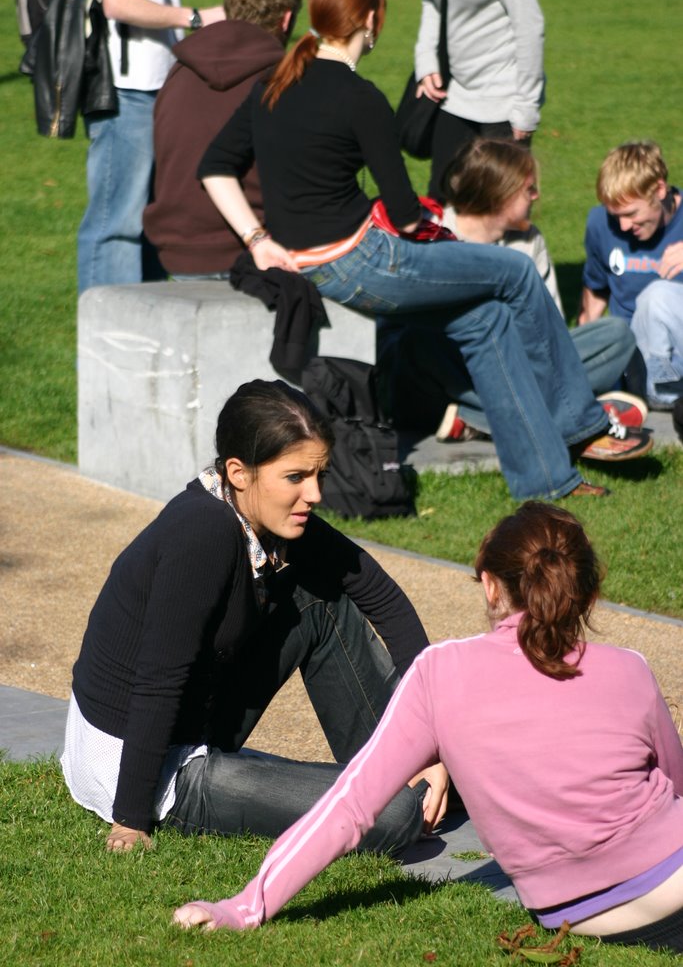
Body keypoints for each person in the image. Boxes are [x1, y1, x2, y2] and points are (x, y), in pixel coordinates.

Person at [196, 0, 648, 503]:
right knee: (518, 271)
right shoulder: (361, 98)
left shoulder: (273, 83)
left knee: (485, 319)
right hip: (365, 262)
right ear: (370, 20)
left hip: (318, 261)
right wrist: (433, 231)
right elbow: (407, 215)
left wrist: (257, 239)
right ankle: (584, 425)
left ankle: (548, 482)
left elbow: (214, 166)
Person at [174, 502, 683, 955]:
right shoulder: (630, 668)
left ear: (489, 583)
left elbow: (349, 805)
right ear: (589, 594)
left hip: (586, 909)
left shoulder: (440, 672)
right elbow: (674, 781)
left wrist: (245, 906)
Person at [61, 380, 447, 854]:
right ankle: (391, 782)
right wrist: (132, 820)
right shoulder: (204, 534)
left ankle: (403, 760)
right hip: (151, 763)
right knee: (397, 813)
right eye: (296, 477)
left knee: (322, 601)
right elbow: (160, 677)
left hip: (195, 719)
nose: (315, 494)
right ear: (239, 473)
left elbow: (382, 597)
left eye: (319, 475)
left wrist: (428, 740)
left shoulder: (261, 513)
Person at [377, 137, 647, 446]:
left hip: (511, 366)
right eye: (528, 189)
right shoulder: (431, 233)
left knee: (616, 335)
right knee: (418, 343)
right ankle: (568, 417)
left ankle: (478, 419)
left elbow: (552, 336)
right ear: (500, 196)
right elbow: (398, 332)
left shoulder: (529, 241)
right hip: (437, 374)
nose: (537, 195)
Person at [76, 0, 225, 293]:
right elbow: (118, 1)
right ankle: (109, 343)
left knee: (153, 222)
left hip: (156, 83)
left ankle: (145, 335)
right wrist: (197, 18)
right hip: (128, 87)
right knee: (118, 223)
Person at [143, 0, 303, 280]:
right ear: (286, 20)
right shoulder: (282, 81)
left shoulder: (180, 71)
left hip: (177, 251)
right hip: (256, 253)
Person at [414, 0, 545, 201]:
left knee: (503, 213)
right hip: (455, 95)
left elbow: (529, 23)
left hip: (503, 100)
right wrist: (425, 58)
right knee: (441, 205)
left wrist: (527, 105)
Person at [579, 141, 683, 421]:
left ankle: (658, 391)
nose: (624, 226)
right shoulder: (600, 223)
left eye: (631, 214)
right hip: (633, 350)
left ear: (659, 190)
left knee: (657, 296)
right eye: (617, 216)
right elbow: (595, 289)